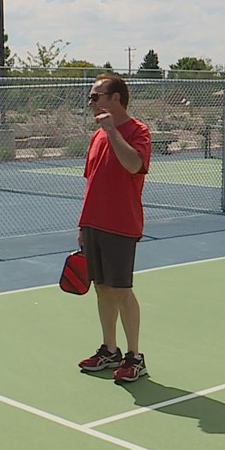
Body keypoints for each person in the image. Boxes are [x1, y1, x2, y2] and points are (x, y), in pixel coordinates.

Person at [75, 75, 152, 384]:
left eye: (96, 97)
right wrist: (83, 224)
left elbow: (134, 165)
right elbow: (91, 182)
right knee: (102, 288)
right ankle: (110, 350)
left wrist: (111, 131)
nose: (90, 103)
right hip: (94, 223)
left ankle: (135, 356)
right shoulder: (96, 137)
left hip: (122, 224)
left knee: (121, 290)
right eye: (90, 97)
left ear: (116, 98)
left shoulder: (138, 132)